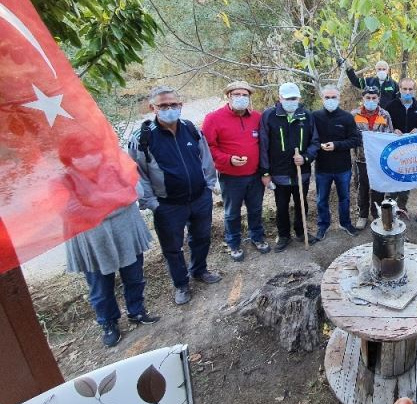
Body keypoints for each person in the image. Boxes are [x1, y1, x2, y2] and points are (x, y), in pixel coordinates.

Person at [128, 86, 220, 306]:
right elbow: (137, 172)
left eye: (173, 104)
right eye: (163, 105)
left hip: (199, 198)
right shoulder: (143, 137)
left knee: (201, 238)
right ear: (153, 108)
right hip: (167, 205)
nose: (169, 109)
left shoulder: (191, 129)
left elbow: (205, 157)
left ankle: (199, 270)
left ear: (180, 105)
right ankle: (181, 284)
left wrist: (209, 185)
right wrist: (152, 203)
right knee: (173, 248)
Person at [66, 200, 160, 347]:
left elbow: (134, 188)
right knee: (100, 287)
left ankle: (137, 311)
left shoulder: (114, 175)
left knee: (134, 276)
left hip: (124, 223)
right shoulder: (65, 178)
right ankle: (108, 322)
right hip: (91, 233)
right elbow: (64, 206)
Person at [202, 80, 269, 262]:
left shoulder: (257, 117)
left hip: (255, 174)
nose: (241, 98)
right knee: (232, 212)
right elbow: (207, 147)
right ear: (228, 97)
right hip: (230, 177)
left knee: (255, 209)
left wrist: (265, 171)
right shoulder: (213, 119)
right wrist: (228, 159)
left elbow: (264, 143)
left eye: (245, 95)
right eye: (237, 95)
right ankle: (233, 243)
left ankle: (257, 237)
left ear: (249, 98)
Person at [258, 82, 320, 252]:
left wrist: (306, 157)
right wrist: (265, 172)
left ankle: (301, 232)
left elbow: (314, 142)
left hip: (302, 172)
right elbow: (263, 145)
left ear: (299, 98)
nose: (291, 101)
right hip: (279, 172)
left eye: (294, 98)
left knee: (302, 203)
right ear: (280, 98)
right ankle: (284, 235)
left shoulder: (306, 116)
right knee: (282, 205)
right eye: (288, 98)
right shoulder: (269, 116)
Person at [312, 85, 361, 240]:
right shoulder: (315, 116)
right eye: (327, 98)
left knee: (344, 198)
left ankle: (345, 223)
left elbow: (355, 140)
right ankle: (323, 225)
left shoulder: (347, 117)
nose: (330, 100)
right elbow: (310, 138)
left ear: (339, 99)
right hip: (322, 167)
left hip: (343, 168)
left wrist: (336, 145)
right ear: (322, 99)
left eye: (334, 97)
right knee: (321, 199)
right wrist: (318, 145)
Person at [351, 86, 394, 229]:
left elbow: (389, 135)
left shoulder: (385, 115)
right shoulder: (354, 115)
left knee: (378, 187)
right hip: (361, 158)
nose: (371, 100)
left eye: (373, 98)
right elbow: (350, 136)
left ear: (378, 98)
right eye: (368, 98)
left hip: (378, 160)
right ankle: (362, 215)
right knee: (362, 187)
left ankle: (376, 214)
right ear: (363, 98)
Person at [385, 77, 417, 214]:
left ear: (414, 90)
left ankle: (402, 207)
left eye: (410, 89)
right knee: (393, 177)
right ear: (399, 89)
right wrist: (393, 130)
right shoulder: (390, 106)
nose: (407, 92)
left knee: (406, 178)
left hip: (411, 150)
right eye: (404, 89)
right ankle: (389, 206)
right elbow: (385, 125)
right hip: (394, 149)